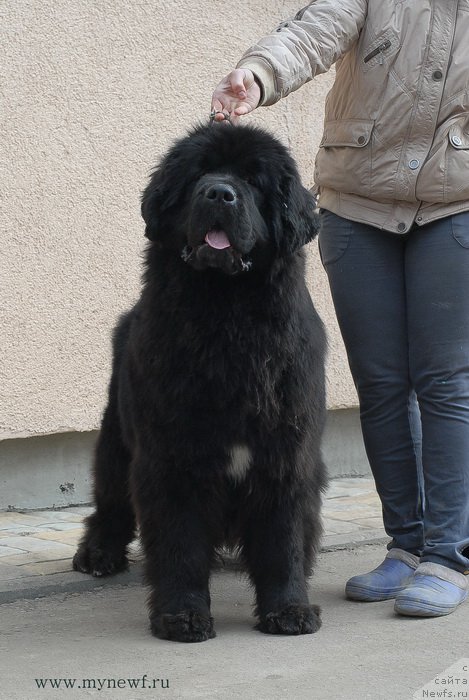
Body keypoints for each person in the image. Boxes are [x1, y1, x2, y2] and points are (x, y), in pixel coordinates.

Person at [211, 0, 469, 617]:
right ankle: (405, 545)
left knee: (445, 382)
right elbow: (313, 31)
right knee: (380, 385)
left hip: (455, 202)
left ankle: (447, 556)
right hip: (358, 203)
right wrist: (258, 74)